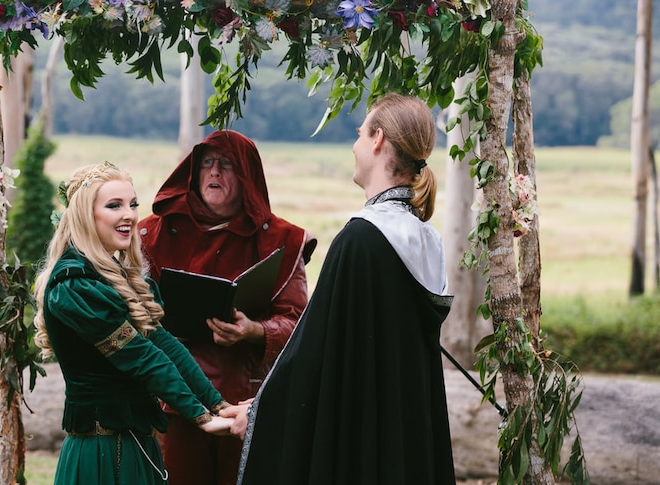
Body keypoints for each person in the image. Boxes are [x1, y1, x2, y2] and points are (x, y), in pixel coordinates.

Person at [220, 93, 457, 484]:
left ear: (378, 140)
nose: (355, 144)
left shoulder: (362, 239)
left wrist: (260, 410)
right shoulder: (424, 239)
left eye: (360, 133)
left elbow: (315, 349)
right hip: (405, 432)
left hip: (363, 435)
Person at [32, 162, 233, 485]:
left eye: (132, 204)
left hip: (135, 444)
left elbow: (166, 346)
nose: (129, 214)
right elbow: (143, 358)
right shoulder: (75, 286)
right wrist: (201, 418)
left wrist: (217, 404)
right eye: (114, 205)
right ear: (86, 215)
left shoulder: (113, 277)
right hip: (101, 454)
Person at [138, 130, 317, 485]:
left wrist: (254, 330)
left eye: (227, 165)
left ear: (246, 177)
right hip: (173, 398)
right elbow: (131, 315)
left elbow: (298, 323)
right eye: (207, 163)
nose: (215, 172)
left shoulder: (279, 239)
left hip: (247, 403)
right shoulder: (154, 233)